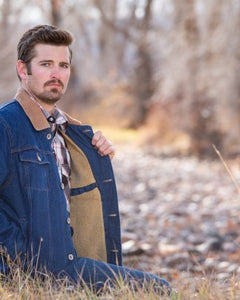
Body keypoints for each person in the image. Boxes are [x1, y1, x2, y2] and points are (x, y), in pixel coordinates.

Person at [0, 24, 170, 294]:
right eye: (46, 64)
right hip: (36, 274)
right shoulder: (5, 125)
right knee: (158, 290)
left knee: (156, 288)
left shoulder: (70, 132)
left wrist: (94, 151)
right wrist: (18, 260)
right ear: (23, 70)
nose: (57, 74)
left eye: (63, 66)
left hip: (72, 267)